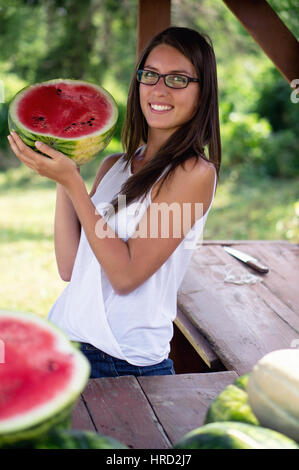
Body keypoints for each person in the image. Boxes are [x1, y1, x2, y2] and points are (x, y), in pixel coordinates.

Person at [8, 26, 221, 378]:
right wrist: (67, 172)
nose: (159, 89)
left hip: (121, 363)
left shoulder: (193, 174)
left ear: (203, 92)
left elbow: (125, 275)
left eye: (178, 79)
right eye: (150, 75)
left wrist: (73, 183)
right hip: (65, 343)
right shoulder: (115, 166)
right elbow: (69, 266)